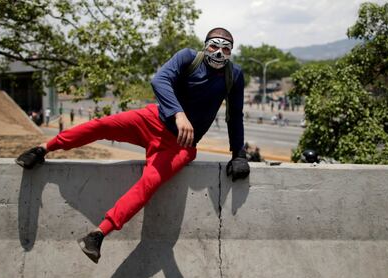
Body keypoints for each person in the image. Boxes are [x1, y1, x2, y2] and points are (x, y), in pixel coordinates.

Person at [14, 27, 250, 264]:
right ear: (205, 45)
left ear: (231, 52)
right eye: (214, 46)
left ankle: (98, 234)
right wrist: (178, 113)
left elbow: (235, 116)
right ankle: (42, 149)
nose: (219, 53)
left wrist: (238, 154)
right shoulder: (188, 56)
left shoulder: (234, 75)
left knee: (148, 185)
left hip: (180, 145)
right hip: (152, 120)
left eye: (226, 48)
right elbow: (159, 80)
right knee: (101, 125)